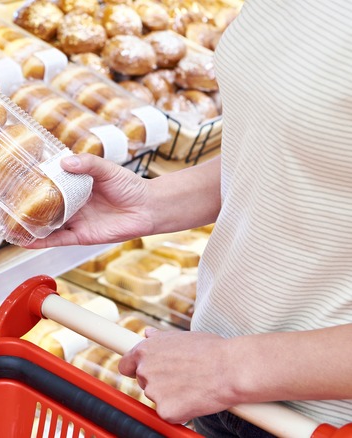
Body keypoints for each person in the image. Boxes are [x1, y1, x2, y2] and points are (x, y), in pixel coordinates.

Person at [27, 0, 352, 435]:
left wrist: (230, 369)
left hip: (313, 421)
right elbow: (310, 151)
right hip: (222, 378)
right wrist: (153, 202)